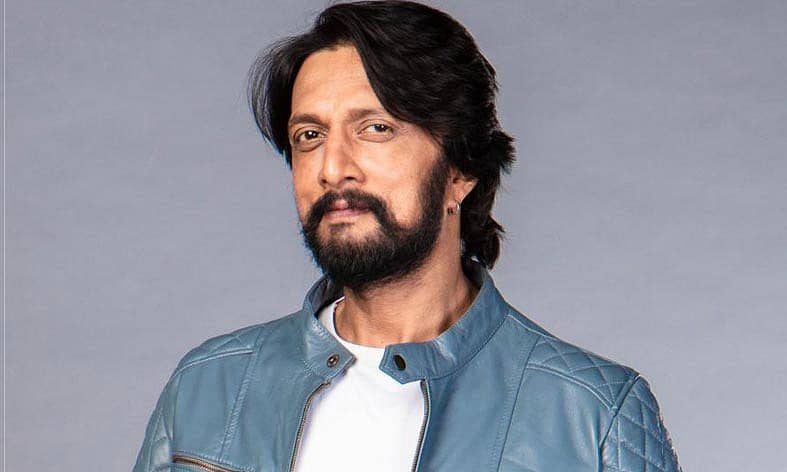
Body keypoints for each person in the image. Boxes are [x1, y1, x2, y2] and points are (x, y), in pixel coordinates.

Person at [133, 1, 682, 471]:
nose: (332, 168)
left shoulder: (592, 414)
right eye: (309, 135)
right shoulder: (209, 384)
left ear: (460, 169)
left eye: (376, 128)